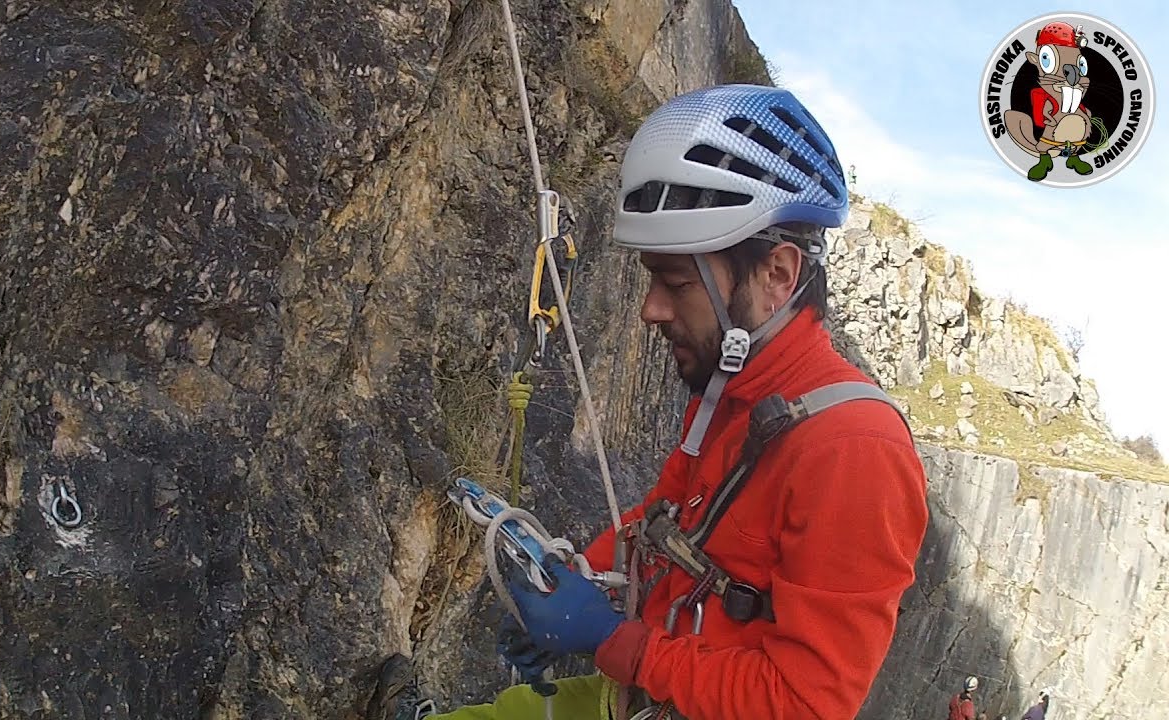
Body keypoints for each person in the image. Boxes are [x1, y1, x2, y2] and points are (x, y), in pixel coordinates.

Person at [378, 83, 929, 720]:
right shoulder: (737, 392)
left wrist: (615, 642)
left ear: (776, 275)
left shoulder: (856, 452)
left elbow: (806, 702)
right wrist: (576, 578)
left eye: (675, 283)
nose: (651, 310)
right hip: (646, 697)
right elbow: (663, 519)